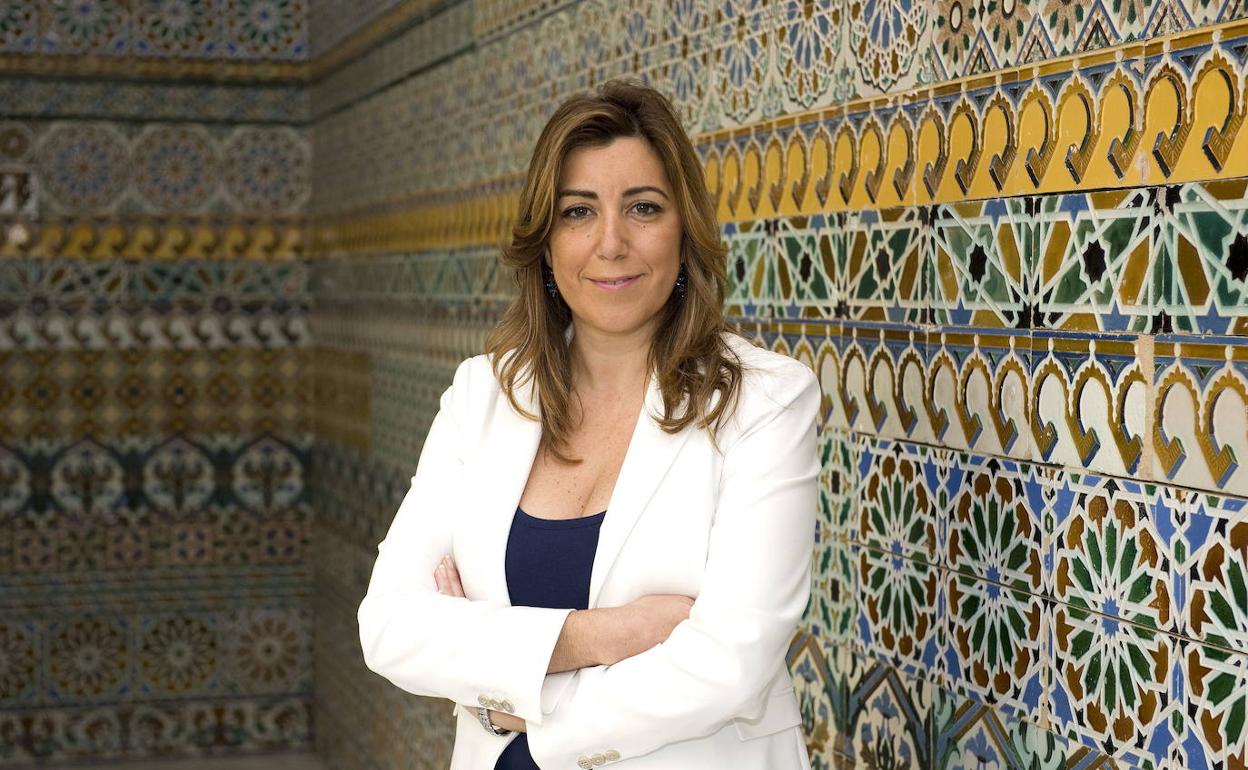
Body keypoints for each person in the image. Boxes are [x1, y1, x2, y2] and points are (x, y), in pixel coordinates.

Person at [357, 78, 819, 770]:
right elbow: (391, 627)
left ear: (684, 228)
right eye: (578, 212)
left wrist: (506, 689)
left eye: (643, 208)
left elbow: (731, 662)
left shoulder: (763, 402)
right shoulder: (482, 395)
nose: (611, 243)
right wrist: (605, 635)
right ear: (545, 243)